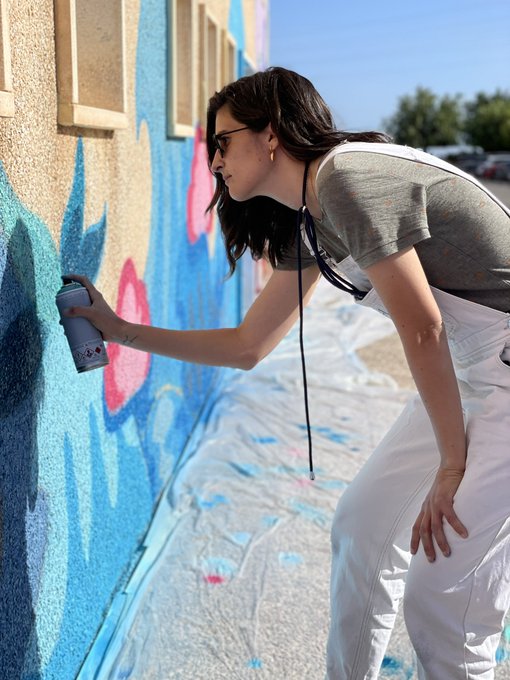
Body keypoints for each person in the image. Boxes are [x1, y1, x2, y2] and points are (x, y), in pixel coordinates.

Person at [66, 67, 510, 679]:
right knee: (362, 527)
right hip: (475, 369)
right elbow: (249, 344)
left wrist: (451, 464)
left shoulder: (348, 178)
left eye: (222, 141)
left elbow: (423, 328)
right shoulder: (314, 219)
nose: (214, 161)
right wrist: (120, 331)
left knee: (443, 599)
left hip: (502, 371)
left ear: (269, 134)